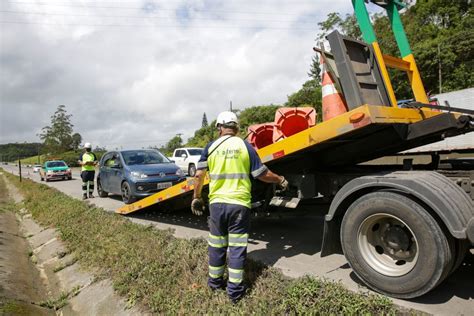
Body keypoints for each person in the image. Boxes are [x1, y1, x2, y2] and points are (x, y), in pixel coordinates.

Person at [191, 111, 288, 303]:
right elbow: (261, 173)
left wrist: (196, 197)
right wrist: (280, 179)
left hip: (217, 205)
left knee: (217, 246)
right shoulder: (245, 146)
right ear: (236, 127)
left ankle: (215, 284)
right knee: (236, 248)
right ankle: (235, 293)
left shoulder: (210, 147)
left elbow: (199, 175)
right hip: (239, 206)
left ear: (219, 127)